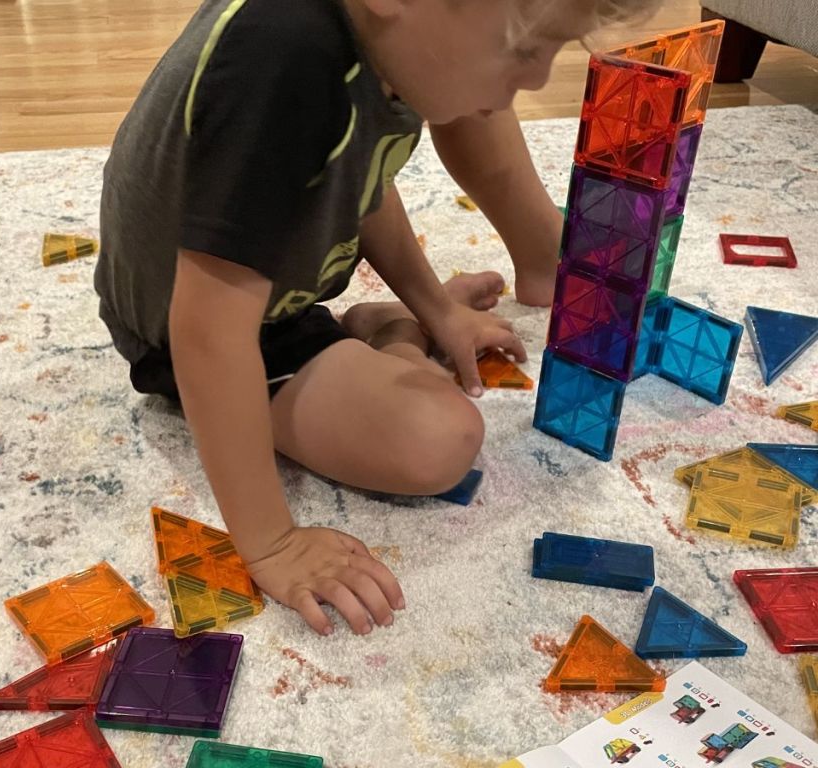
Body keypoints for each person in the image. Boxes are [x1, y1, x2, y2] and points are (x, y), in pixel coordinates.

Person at [95, 0, 661, 637]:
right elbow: (206, 332)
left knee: (476, 94)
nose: (536, 79)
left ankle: (400, 324)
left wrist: (437, 308)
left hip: (257, 294)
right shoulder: (283, 57)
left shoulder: (373, 39)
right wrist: (271, 543)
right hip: (194, 329)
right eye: (527, 47)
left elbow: (357, 176)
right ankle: (388, 337)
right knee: (438, 440)